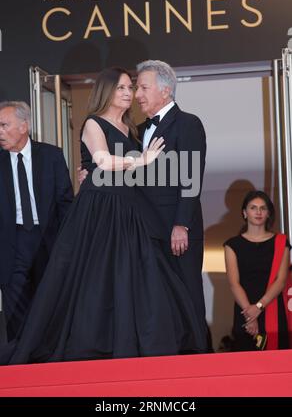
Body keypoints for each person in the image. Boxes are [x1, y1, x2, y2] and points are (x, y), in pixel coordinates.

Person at [0, 67, 207, 365]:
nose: (129, 94)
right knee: (93, 280)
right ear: (107, 92)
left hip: (127, 212)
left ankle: (131, 345)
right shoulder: (93, 123)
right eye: (122, 88)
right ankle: (89, 346)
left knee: (130, 279)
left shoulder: (132, 129)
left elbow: (149, 175)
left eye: (131, 88)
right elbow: (101, 159)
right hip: (99, 212)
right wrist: (138, 159)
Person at [135, 60, 208, 351]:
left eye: (143, 87)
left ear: (165, 91)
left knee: (188, 296)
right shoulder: (138, 130)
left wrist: (182, 224)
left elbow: (191, 177)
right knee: (158, 300)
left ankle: (200, 364)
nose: (137, 94)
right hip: (147, 231)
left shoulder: (188, 123)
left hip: (178, 230)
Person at [0, 101, 73, 341]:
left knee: (49, 302)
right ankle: (19, 360)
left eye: (4, 125)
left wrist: (67, 245)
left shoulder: (51, 155)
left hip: (47, 239)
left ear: (24, 126)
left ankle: (48, 358)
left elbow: (65, 203)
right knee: (15, 306)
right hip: (11, 242)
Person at [224, 190, 290, 351]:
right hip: (244, 311)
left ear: (268, 214)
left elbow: (281, 281)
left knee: (277, 363)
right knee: (246, 364)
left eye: (263, 208)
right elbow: (234, 283)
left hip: (272, 306)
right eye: (253, 208)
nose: (258, 212)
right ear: (245, 213)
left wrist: (259, 307)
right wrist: (250, 314)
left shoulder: (281, 242)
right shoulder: (232, 245)